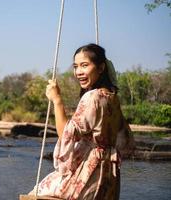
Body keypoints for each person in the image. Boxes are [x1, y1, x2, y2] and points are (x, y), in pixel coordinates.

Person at [29, 43, 134, 200]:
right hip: (108, 175)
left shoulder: (93, 97)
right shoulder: (112, 97)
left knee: (36, 194)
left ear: (101, 68)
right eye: (76, 66)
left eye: (84, 65)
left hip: (88, 173)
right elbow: (123, 136)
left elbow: (65, 134)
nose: (78, 72)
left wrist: (57, 100)